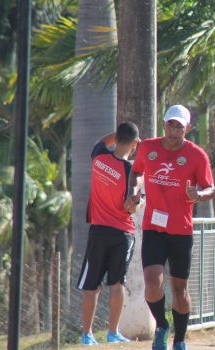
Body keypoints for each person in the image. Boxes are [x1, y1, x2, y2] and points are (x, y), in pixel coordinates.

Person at [124, 105, 215, 350]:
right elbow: (135, 174)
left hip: (181, 230)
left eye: (179, 126)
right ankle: (162, 326)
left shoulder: (197, 155)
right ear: (163, 124)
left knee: (179, 289)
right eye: (170, 125)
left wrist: (198, 194)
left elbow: (210, 188)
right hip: (154, 226)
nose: (174, 131)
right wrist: (134, 194)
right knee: (152, 283)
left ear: (188, 128)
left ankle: (181, 339)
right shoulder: (148, 148)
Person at [77, 122, 140, 345]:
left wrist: (119, 135)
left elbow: (102, 142)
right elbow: (130, 206)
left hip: (98, 230)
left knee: (91, 285)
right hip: (122, 233)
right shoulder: (130, 171)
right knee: (117, 283)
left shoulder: (99, 155)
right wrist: (134, 203)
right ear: (134, 144)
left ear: (117, 137)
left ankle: (87, 335)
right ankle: (113, 333)